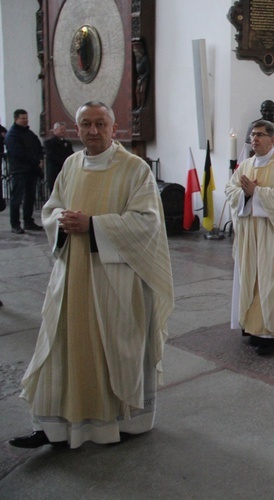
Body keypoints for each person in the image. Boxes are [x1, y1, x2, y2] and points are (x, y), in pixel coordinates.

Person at [11, 101, 174, 449]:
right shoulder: (71, 165)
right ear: (77, 129)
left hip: (115, 282)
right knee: (60, 346)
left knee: (110, 350)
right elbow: (51, 208)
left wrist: (94, 225)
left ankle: (114, 424)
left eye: (100, 124)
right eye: (86, 124)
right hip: (72, 277)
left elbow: (147, 224)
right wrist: (61, 223)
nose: (93, 131)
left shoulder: (134, 169)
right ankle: (54, 427)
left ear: (114, 129)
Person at [225, 119, 274, 355]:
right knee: (249, 278)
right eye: (252, 135)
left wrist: (256, 193)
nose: (254, 139)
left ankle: (270, 331)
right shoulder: (245, 165)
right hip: (249, 236)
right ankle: (250, 325)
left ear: (272, 139)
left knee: (271, 282)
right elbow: (230, 191)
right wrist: (246, 197)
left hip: (273, 236)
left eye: (259, 135)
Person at [5, 109, 44, 234]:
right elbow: (18, 153)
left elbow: (38, 146)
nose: (25, 120)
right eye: (22, 118)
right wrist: (35, 161)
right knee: (16, 198)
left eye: (26, 118)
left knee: (30, 197)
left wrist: (40, 158)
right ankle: (15, 224)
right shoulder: (12, 135)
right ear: (16, 119)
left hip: (31, 170)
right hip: (19, 171)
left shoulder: (29, 133)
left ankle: (28, 221)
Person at [43, 122, 75, 193]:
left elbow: (71, 154)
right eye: (60, 129)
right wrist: (64, 161)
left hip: (65, 171)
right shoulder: (48, 143)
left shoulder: (68, 143)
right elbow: (51, 155)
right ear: (55, 130)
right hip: (54, 171)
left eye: (64, 129)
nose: (63, 131)